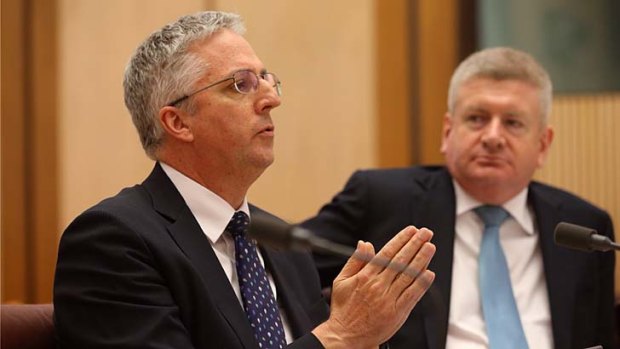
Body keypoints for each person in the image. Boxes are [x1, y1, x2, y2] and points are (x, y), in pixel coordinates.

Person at [52, 11, 437, 349]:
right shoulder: (113, 242)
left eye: (267, 79)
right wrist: (341, 335)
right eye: (241, 84)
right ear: (177, 122)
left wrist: (365, 340)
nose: (272, 99)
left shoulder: (283, 244)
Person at [302, 47, 616, 349]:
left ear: (543, 144)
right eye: (477, 119)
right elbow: (283, 267)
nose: (493, 137)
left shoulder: (583, 226)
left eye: (513, 123)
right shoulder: (382, 198)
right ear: (447, 132)